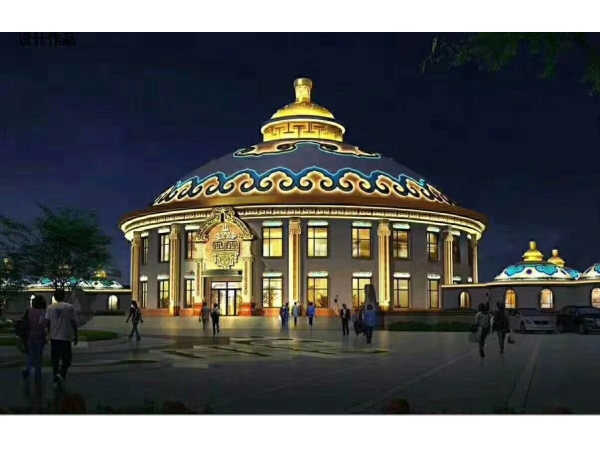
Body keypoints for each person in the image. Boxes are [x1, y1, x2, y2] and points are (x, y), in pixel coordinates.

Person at [44, 289, 78, 389]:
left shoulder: (50, 308)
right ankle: (61, 374)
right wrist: (76, 335)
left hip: (54, 337)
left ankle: (56, 378)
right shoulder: (69, 307)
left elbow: (46, 322)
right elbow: (73, 322)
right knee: (67, 360)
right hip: (65, 337)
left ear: (54, 297)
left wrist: (48, 333)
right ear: (63, 296)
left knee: (55, 360)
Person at [21, 295, 47, 384]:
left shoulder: (29, 310)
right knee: (38, 356)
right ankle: (37, 375)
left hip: (29, 335)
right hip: (39, 335)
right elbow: (42, 323)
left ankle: (27, 369)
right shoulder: (42, 312)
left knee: (31, 354)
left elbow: (24, 321)